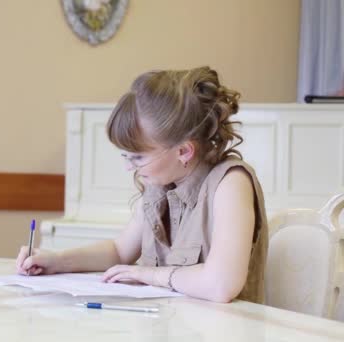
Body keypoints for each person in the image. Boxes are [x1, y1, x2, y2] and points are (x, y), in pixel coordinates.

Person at [16, 66, 268, 304]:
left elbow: (221, 284)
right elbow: (118, 251)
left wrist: (147, 274)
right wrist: (56, 260)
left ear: (183, 151)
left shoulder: (231, 184)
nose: (129, 167)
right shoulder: (160, 184)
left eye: (137, 157)